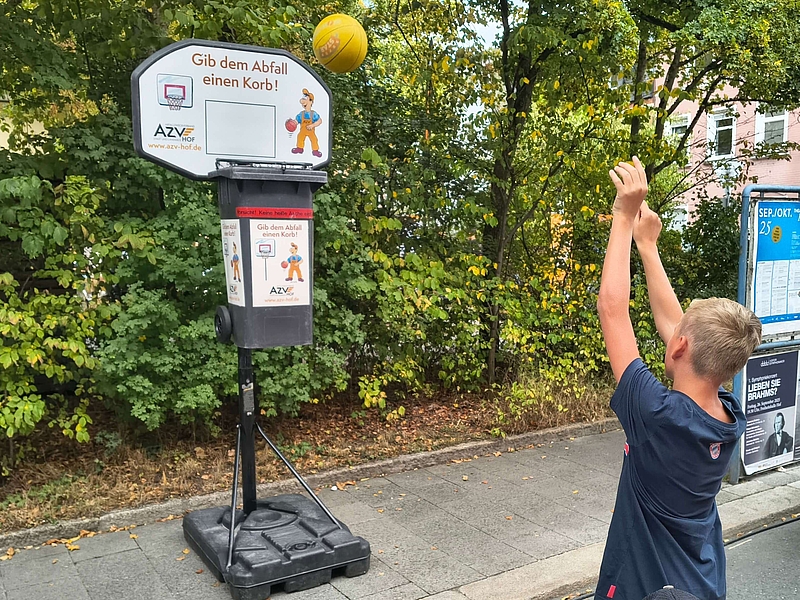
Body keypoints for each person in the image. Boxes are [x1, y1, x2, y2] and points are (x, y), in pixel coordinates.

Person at [595, 157, 762, 600]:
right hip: (701, 582)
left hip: (649, 589)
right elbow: (678, 329)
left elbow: (612, 311)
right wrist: (647, 247)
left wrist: (622, 215)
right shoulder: (728, 417)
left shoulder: (657, 416)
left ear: (680, 347)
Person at [291, 89, 323, 158]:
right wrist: (293, 123)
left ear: (311, 102)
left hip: (311, 131)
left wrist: (313, 125)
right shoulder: (301, 114)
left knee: (314, 139)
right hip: (303, 130)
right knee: (300, 137)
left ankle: (315, 150)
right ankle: (299, 148)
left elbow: (319, 121)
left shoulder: (313, 114)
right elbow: (297, 121)